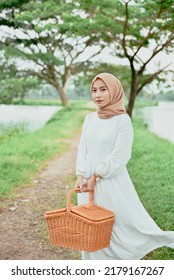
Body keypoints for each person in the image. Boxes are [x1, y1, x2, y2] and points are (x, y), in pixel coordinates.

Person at [74, 72, 174, 260]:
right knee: (89, 225)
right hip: (87, 181)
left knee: (117, 222)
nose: (97, 95)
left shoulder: (122, 120)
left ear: (114, 91)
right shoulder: (89, 119)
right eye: (94, 90)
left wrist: (97, 176)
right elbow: (83, 149)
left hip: (109, 180)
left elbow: (120, 156)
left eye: (103, 90)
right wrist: (81, 175)